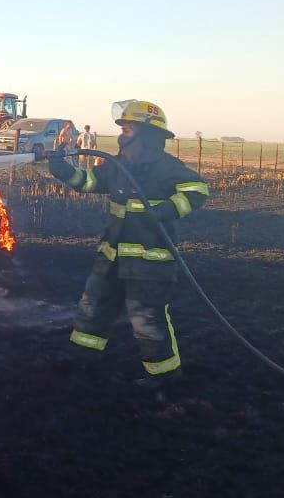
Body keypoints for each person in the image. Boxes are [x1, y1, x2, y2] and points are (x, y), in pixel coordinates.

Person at [43, 100, 209, 397]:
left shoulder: (165, 167)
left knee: (147, 319)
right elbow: (89, 181)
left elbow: (197, 190)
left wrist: (166, 210)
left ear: (147, 133)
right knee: (93, 308)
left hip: (149, 261)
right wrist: (61, 169)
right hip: (112, 256)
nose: (122, 131)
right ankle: (82, 359)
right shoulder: (120, 165)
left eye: (128, 127)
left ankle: (165, 378)